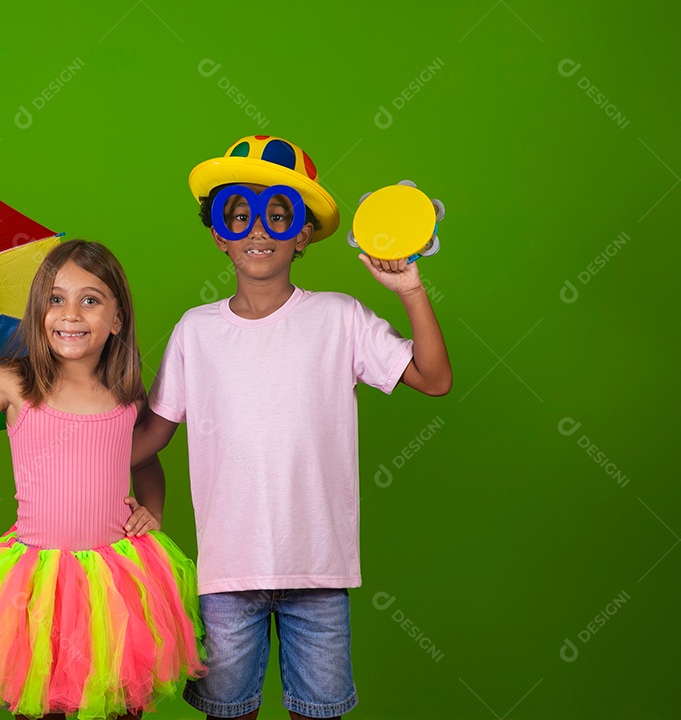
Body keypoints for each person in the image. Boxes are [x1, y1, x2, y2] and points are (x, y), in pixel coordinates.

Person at [132, 135, 452, 720]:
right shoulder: (195, 331)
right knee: (230, 712)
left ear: (302, 233)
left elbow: (434, 379)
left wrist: (410, 289)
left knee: (318, 711)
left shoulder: (339, 317)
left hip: (319, 570)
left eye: (278, 216)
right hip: (228, 574)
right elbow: (150, 438)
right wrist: (63, 430)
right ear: (219, 233)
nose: (258, 229)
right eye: (240, 214)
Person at [0, 239, 206, 720]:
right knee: (40, 701)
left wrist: (154, 510)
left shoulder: (124, 392)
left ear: (117, 319)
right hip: (38, 581)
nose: (71, 314)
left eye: (90, 300)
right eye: (56, 299)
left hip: (116, 580)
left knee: (121, 704)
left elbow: (144, 456)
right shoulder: (14, 383)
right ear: (38, 311)